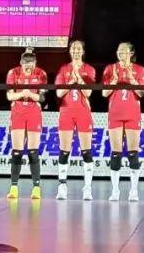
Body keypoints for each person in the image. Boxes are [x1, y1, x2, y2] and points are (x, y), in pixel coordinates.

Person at [102, 42, 144, 201]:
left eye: (124, 50)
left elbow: (141, 93)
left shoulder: (139, 69)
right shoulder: (110, 68)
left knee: (133, 153)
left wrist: (132, 79)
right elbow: (104, 93)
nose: (121, 52)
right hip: (115, 113)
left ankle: (133, 190)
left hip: (132, 114)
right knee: (116, 153)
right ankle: (115, 190)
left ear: (131, 53)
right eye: (119, 50)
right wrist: (114, 81)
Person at [54, 39, 97, 201]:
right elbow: (59, 93)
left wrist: (79, 79)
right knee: (64, 150)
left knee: (86, 151)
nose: (76, 51)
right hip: (66, 111)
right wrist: (70, 82)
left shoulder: (89, 69)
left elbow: (88, 93)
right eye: (74, 48)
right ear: (70, 51)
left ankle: (87, 188)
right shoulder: (63, 69)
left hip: (83, 112)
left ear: (83, 51)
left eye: (79, 48)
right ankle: (62, 186)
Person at [5, 48, 47, 200]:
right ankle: (13, 187)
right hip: (18, 112)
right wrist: (22, 94)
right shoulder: (13, 73)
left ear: (35, 63)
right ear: (21, 63)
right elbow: (9, 96)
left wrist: (31, 95)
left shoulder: (41, 73)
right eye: (25, 63)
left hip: (33, 113)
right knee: (17, 151)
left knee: (33, 152)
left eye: (31, 64)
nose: (28, 67)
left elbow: (42, 98)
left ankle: (36, 188)